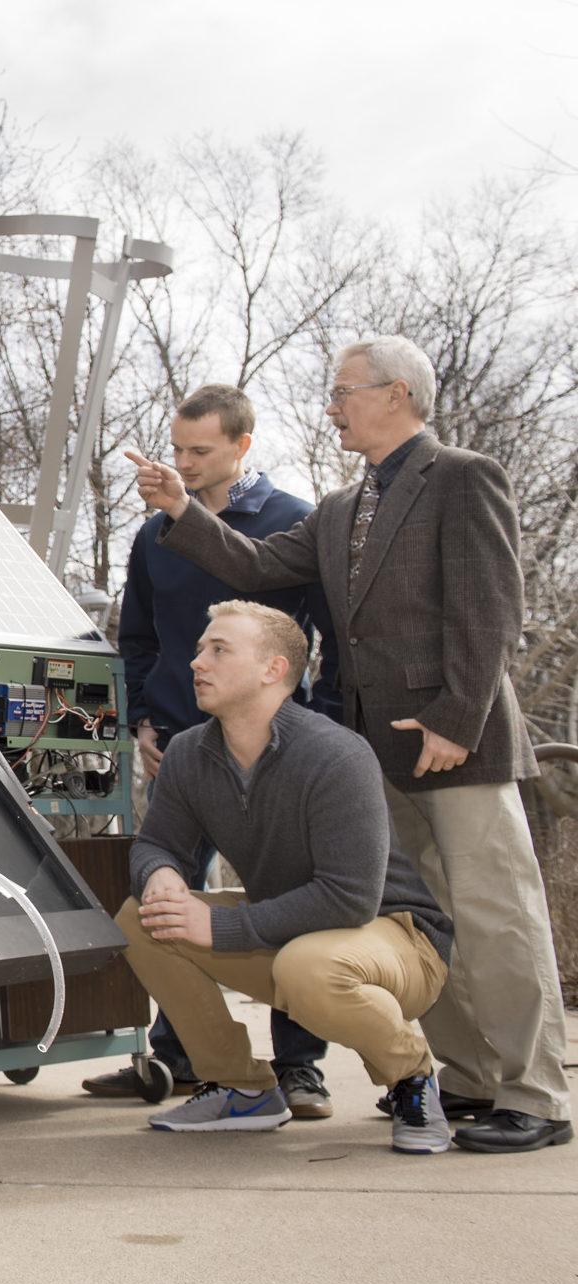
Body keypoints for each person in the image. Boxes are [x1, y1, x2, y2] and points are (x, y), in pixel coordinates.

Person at [127, 335, 571, 1153]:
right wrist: (182, 511)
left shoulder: (464, 477)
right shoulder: (340, 509)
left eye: (343, 393)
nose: (331, 406)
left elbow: (491, 611)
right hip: (383, 751)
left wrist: (455, 718)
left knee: (498, 915)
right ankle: (467, 1078)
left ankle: (536, 1092)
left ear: (396, 394)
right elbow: (257, 565)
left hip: (458, 742)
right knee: (422, 920)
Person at [120, 602, 454, 1154]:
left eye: (219, 650)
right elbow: (157, 844)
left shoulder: (335, 754)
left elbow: (349, 897)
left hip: (397, 938)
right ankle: (241, 1087)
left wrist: (221, 928)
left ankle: (411, 1076)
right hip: (293, 933)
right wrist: (158, 876)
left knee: (308, 967)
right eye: (201, 649)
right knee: (141, 919)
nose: (197, 662)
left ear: (273, 669)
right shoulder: (187, 754)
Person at [91, 384, 342, 1116]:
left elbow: (328, 643)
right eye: (177, 449)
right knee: (164, 897)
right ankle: (182, 1059)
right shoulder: (150, 536)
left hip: (279, 752)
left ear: (244, 445)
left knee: (288, 899)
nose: (185, 462)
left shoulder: (292, 523)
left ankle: (301, 1067)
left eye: (201, 450)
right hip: (179, 751)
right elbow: (138, 640)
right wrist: (144, 721)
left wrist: (318, 731)